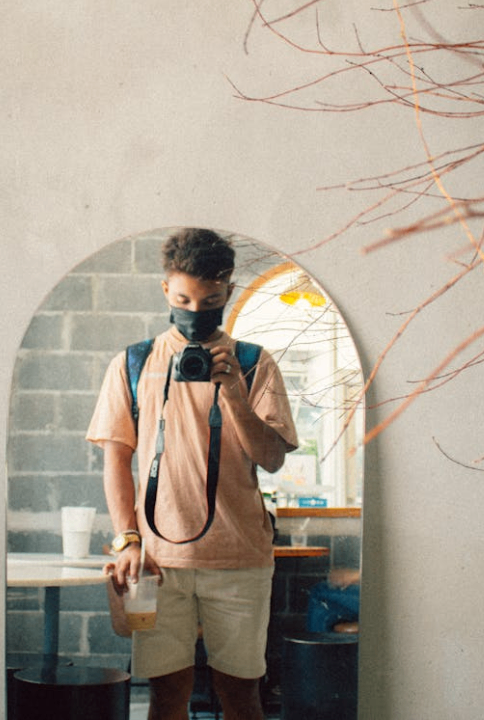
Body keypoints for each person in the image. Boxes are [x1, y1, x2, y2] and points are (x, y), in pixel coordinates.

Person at [86, 228, 298, 720]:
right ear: (166, 291)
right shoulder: (134, 363)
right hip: (159, 562)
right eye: (183, 298)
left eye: (210, 299)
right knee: (165, 698)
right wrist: (128, 540)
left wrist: (234, 395)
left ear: (227, 293)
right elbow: (116, 460)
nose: (195, 311)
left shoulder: (252, 362)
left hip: (241, 558)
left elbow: (271, 457)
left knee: (243, 698)